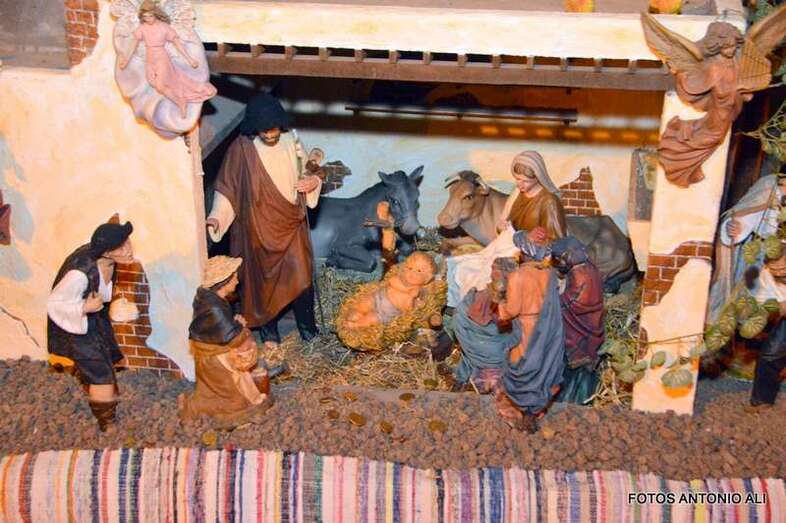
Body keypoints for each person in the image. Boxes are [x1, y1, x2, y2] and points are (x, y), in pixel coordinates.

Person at [206, 93, 323, 350]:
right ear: (253, 127)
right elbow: (227, 189)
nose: (270, 134)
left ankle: (308, 331)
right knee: (262, 283)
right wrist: (217, 217)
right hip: (258, 228)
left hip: (290, 223)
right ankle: (270, 333)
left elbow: (310, 169)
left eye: (274, 129)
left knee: (302, 278)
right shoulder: (241, 149)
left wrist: (313, 182)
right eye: (264, 130)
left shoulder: (291, 140)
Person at [47, 221, 134, 431]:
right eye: (120, 247)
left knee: (105, 357)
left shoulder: (109, 262)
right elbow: (55, 303)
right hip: (78, 328)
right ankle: (106, 420)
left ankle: (87, 374)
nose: (128, 249)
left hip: (96, 321)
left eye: (127, 242)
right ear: (106, 252)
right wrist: (84, 307)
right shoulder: (79, 273)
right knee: (101, 374)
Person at [179, 256, 274, 426]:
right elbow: (232, 338)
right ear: (223, 282)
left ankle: (248, 401)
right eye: (234, 277)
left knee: (241, 382)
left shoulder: (213, 299)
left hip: (216, 352)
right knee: (232, 398)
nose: (237, 281)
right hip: (214, 359)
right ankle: (200, 411)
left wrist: (234, 324)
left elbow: (222, 329)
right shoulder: (214, 307)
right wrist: (241, 327)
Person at [494, 262, 565, 432]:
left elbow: (509, 311)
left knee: (522, 369)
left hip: (527, 328)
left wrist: (499, 298)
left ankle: (525, 407)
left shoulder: (518, 276)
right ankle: (532, 409)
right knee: (541, 367)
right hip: (546, 326)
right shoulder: (548, 273)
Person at [708, 173, 786, 322]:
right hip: (761, 256)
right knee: (752, 297)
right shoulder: (769, 187)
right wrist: (737, 227)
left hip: (782, 261)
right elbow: (747, 213)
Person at [118, 0, 217, 118]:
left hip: (161, 57)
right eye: (145, 17)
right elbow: (133, 45)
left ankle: (180, 102)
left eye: (150, 16)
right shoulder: (142, 28)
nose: (148, 19)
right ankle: (179, 99)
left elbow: (178, 44)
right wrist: (126, 60)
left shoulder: (164, 27)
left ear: (155, 14)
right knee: (152, 81)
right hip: (150, 58)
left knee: (160, 85)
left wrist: (189, 59)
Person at [451, 256, 520, 393]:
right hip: (480, 343)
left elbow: (515, 328)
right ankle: (464, 380)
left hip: (497, 347)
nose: (496, 274)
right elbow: (463, 318)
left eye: (501, 271)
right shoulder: (479, 298)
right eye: (495, 270)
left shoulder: (514, 297)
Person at [551, 237, 604, 404]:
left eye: (560, 258)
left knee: (575, 368)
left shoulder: (579, 274)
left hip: (579, 331)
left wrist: (553, 299)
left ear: (569, 255)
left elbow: (575, 302)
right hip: (589, 325)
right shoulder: (589, 268)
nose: (560, 263)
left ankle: (573, 401)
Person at [744, 247, 786, 413]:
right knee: (770, 355)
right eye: (774, 269)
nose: (779, 274)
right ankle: (762, 400)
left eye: (783, 268)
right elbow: (762, 302)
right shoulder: (765, 275)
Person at [497, 151, 567, 241]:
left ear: (538, 178)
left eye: (526, 181)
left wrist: (529, 238)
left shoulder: (549, 202)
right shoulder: (517, 192)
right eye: (517, 179)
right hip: (509, 244)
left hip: (532, 249)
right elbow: (502, 223)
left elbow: (555, 241)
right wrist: (502, 226)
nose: (519, 184)